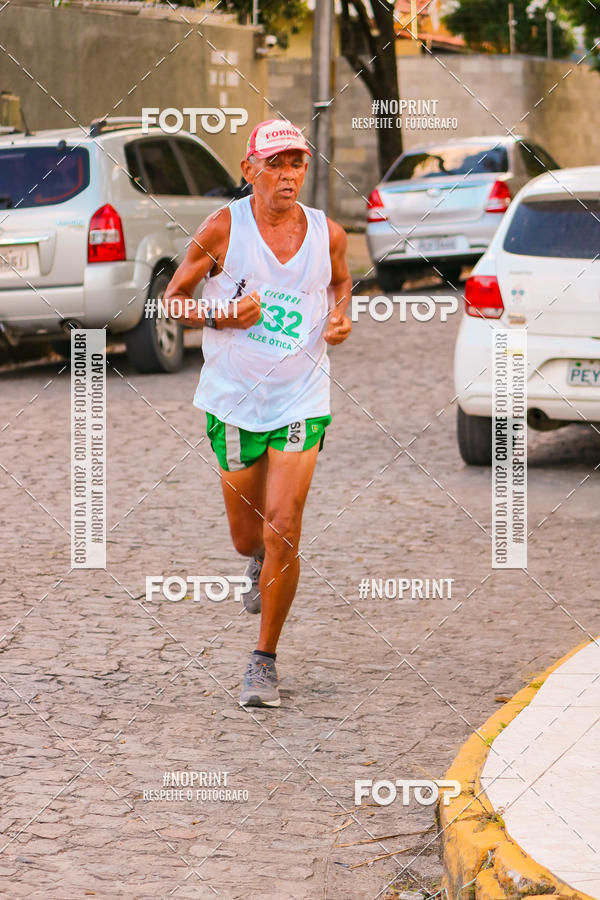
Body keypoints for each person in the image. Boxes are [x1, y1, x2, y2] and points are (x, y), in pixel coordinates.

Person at [164, 119, 352, 708]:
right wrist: (222, 316)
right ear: (250, 170)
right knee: (248, 537)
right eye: (275, 164)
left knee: (284, 527)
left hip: (302, 398)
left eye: (297, 163)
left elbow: (341, 285)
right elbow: (168, 301)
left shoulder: (329, 233)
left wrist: (343, 317)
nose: (288, 175)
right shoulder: (224, 227)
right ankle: (255, 561)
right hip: (234, 400)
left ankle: (263, 660)